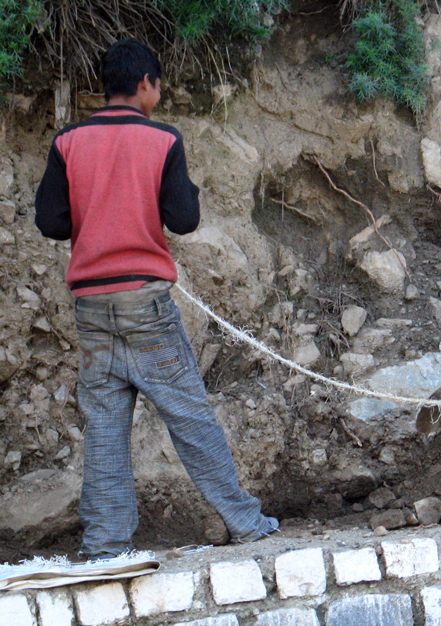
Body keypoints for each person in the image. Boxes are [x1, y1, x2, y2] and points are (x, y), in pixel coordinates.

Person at [34, 38, 278, 560]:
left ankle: (106, 543)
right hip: (146, 305)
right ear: (145, 83)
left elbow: (50, 222)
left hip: (92, 309)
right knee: (189, 415)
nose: (158, 94)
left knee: (104, 426)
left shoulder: (68, 141)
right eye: (158, 86)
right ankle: (244, 521)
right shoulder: (163, 139)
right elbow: (184, 220)